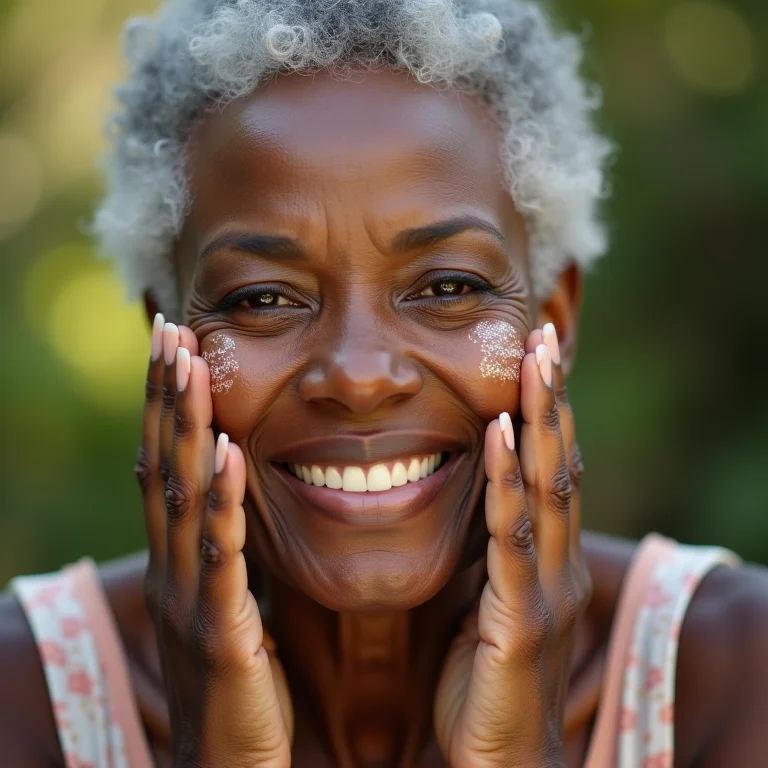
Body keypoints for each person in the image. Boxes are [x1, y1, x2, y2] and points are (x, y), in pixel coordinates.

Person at [1, 1, 767, 766]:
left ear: (555, 323)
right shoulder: (26, 694)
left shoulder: (734, 674)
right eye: (262, 298)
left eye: (447, 288)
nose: (360, 377)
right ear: (167, 342)